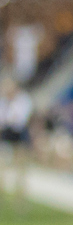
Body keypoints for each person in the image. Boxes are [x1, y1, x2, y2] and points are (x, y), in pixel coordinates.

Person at [0, 76, 33, 210]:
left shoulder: (23, 100)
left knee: (21, 170)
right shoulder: (3, 101)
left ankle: (20, 201)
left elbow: (19, 121)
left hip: (19, 136)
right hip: (6, 135)